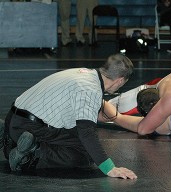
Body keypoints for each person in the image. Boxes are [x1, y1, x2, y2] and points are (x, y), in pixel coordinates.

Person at [0, 54, 137, 179]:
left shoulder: (84, 72)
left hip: (14, 117)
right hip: (29, 126)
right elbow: (87, 133)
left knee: (76, 137)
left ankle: (9, 138)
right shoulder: (91, 90)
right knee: (85, 155)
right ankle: (30, 155)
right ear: (120, 81)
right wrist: (110, 168)